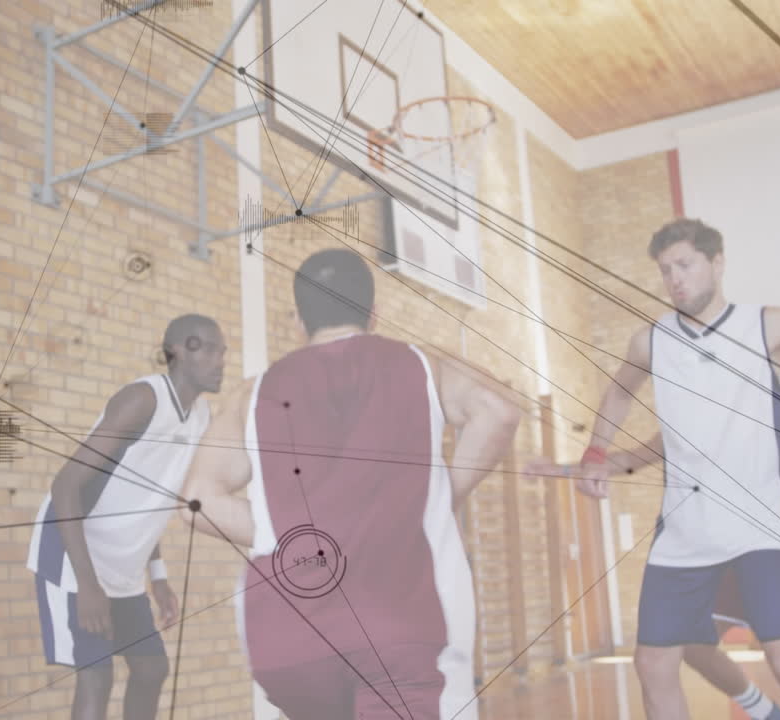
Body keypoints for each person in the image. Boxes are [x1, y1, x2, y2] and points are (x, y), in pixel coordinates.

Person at [549, 218, 780, 720]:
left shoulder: (769, 324)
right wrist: (597, 454)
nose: (675, 279)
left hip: (762, 530)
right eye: (665, 271)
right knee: (653, 664)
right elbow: (620, 391)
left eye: (684, 265)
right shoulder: (651, 341)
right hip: (683, 536)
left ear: (717, 262)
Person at [178, 248, 522, 719]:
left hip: (291, 639)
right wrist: (439, 498)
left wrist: (280, 533)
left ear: (298, 320)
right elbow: (499, 411)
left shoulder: (253, 392)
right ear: (373, 312)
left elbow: (197, 500)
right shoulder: (420, 365)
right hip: (403, 625)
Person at [531, 429, 780, 720]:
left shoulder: (769, 426)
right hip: (717, 544)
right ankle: (766, 712)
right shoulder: (685, 425)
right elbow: (628, 460)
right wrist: (562, 469)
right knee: (693, 645)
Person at [26, 314, 226, 720]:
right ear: (182, 350)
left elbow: (145, 501)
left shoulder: (200, 417)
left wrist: (159, 578)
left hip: (122, 572)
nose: (223, 360)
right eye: (214, 350)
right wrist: (87, 584)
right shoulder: (142, 400)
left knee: (151, 668)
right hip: (70, 558)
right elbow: (65, 486)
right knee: (97, 677)